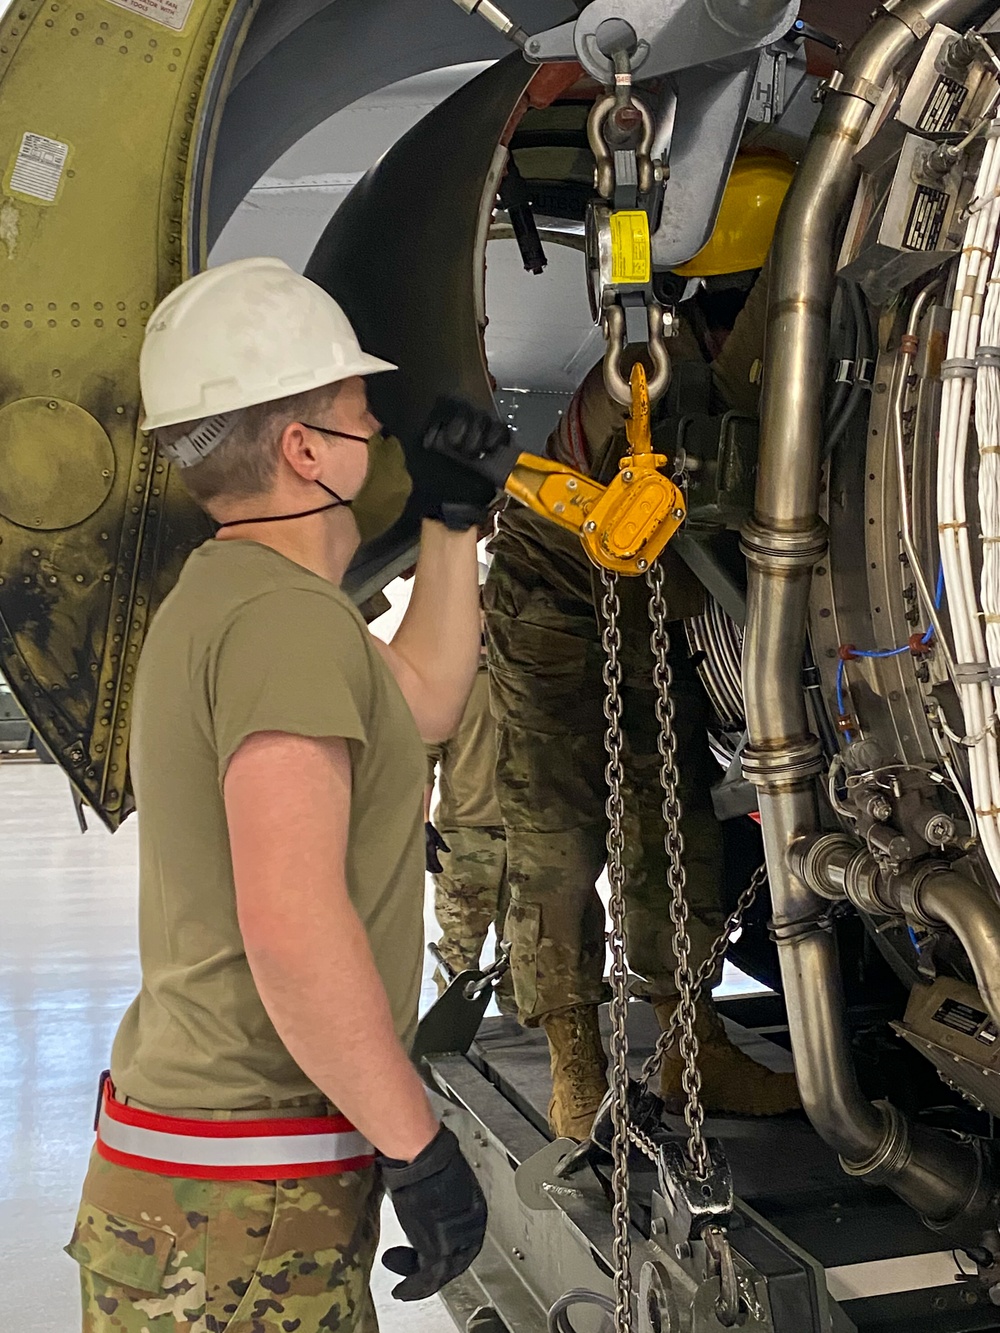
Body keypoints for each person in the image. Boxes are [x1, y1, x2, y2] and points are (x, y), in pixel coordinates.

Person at [65, 256, 502, 1331]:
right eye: (364, 415)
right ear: (306, 451)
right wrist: (420, 1145)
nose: (381, 439)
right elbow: (294, 925)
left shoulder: (241, 600)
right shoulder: (285, 626)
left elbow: (427, 699)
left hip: (211, 1190)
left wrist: (449, 518)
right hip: (239, 1206)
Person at [484, 156, 802, 1140]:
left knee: (672, 823)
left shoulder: (719, 364)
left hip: (647, 604)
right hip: (558, 606)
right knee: (558, 834)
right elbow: (684, 532)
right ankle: (576, 1064)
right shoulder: (649, 377)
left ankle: (690, 1045)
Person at [425, 562, 514, 1013]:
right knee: (459, 949)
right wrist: (418, 824)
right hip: (465, 839)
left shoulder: (523, 677)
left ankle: (531, 1041)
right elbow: (421, 759)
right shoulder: (445, 682)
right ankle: (447, 1038)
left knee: (527, 953)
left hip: (527, 835)